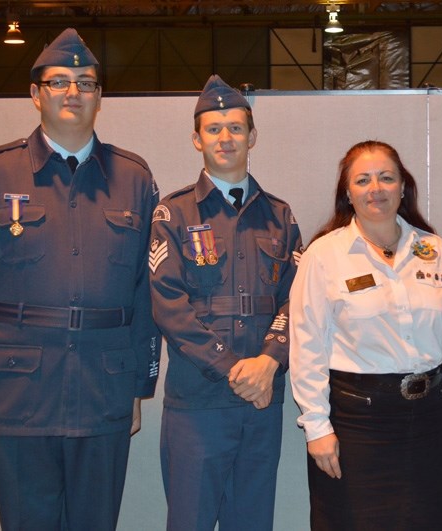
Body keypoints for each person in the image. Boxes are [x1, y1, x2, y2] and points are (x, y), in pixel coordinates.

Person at [0, 28, 160, 531]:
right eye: (59, 81)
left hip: (103, 387)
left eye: (86, 82)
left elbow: (145, 294)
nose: (73, 92)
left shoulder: (134, 179)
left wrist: (138, 387)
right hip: (16, 389)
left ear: (100, 97)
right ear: (35, 94)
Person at [289, 140, 442, 531]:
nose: (376, 188)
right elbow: (307, 347)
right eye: (363, 180)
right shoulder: (323, 256)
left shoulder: (436, 250)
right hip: (357, 424)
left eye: (386, 178)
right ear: (348, 192)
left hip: (428, 420)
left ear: (403, 187)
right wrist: (317, 427)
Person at [149, 74, 301, 531]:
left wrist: (270, 362)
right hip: (198, 405)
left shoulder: (280, 215)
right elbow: (169, 307)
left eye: (235, 127)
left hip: (261, 404)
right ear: (197, 139)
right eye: (213, 128)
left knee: (253, 523)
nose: (225, 137)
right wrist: (234, 367)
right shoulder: (173, 214)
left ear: (252, 136)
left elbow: (299, 301)